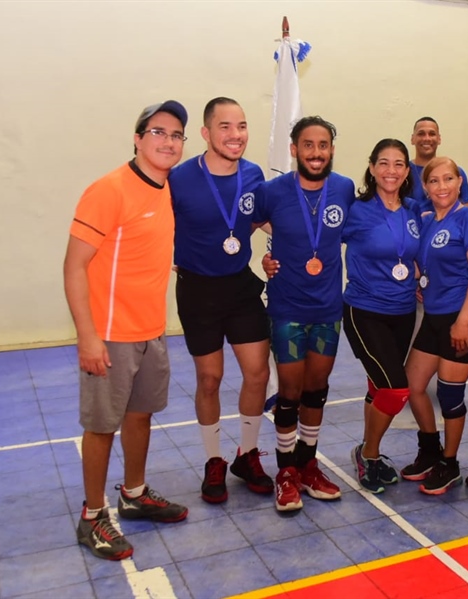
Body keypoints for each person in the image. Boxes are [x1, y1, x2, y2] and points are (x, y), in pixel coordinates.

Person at [63, 100, 190, 560]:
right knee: (101, 427)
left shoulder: (165, 187)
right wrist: (88, 335)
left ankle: (133, 494)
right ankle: (93, 516)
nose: (168, 141)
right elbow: (74, 267)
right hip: (111, 335)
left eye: (176, 135)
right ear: (138, 138)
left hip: (151, 331)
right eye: (158, 132)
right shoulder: (108, 190)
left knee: (141, 416)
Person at [168, 97, 272, 504]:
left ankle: (247, 455)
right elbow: (158, 225)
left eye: (242, 126)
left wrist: (279, 247)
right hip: (198, 291)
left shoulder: (254, 175)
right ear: (207, 134)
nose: (236, 135)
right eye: (226, 127)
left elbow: (262, 219)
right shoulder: (179, 178)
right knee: (209, 378)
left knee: (258, 374)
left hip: (241, 287)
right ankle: (214, 460)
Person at [253, 116, 355, 512]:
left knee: (317, 391)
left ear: (331, 149)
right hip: (288, 309)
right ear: (294, 149)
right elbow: (253, 222)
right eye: (308, 145)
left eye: (324, 145)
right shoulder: (272, 191)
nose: (316, 153)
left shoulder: (344, 189)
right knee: (291, 394)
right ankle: (285, 472)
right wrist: (268, 254)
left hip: (328, 308)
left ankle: (308, 465)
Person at [400, 157, 468, 495]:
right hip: (435, 316)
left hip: (462, 317)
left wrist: (463, 320)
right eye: (434, 181)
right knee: (413, 384)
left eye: (448, 179)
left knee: (450, 394)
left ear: (459, 182)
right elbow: (423, 264)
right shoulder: (427, 223)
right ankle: (430, 449)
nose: (441, 186)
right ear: (426, 187)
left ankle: (450, 464)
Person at [342, 139, 421, 494]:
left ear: (406, 171)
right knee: (396, 389)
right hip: (364, 310)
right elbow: (316, 239)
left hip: (403, 312)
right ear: (372, 168)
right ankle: (368, 452)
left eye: (399, 164)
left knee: (378, 386)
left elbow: (418, 251)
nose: (391, 170)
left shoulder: (414, 210)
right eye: (384, 163)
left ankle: (369, 454)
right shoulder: (355, 210)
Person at [409, 117, 468, 211]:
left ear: (439, 139)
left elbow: (465, 214)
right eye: (421, 134)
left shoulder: (456, 172)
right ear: (413, 139)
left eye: (432, 134)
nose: (427, 138)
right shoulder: (404, 172)